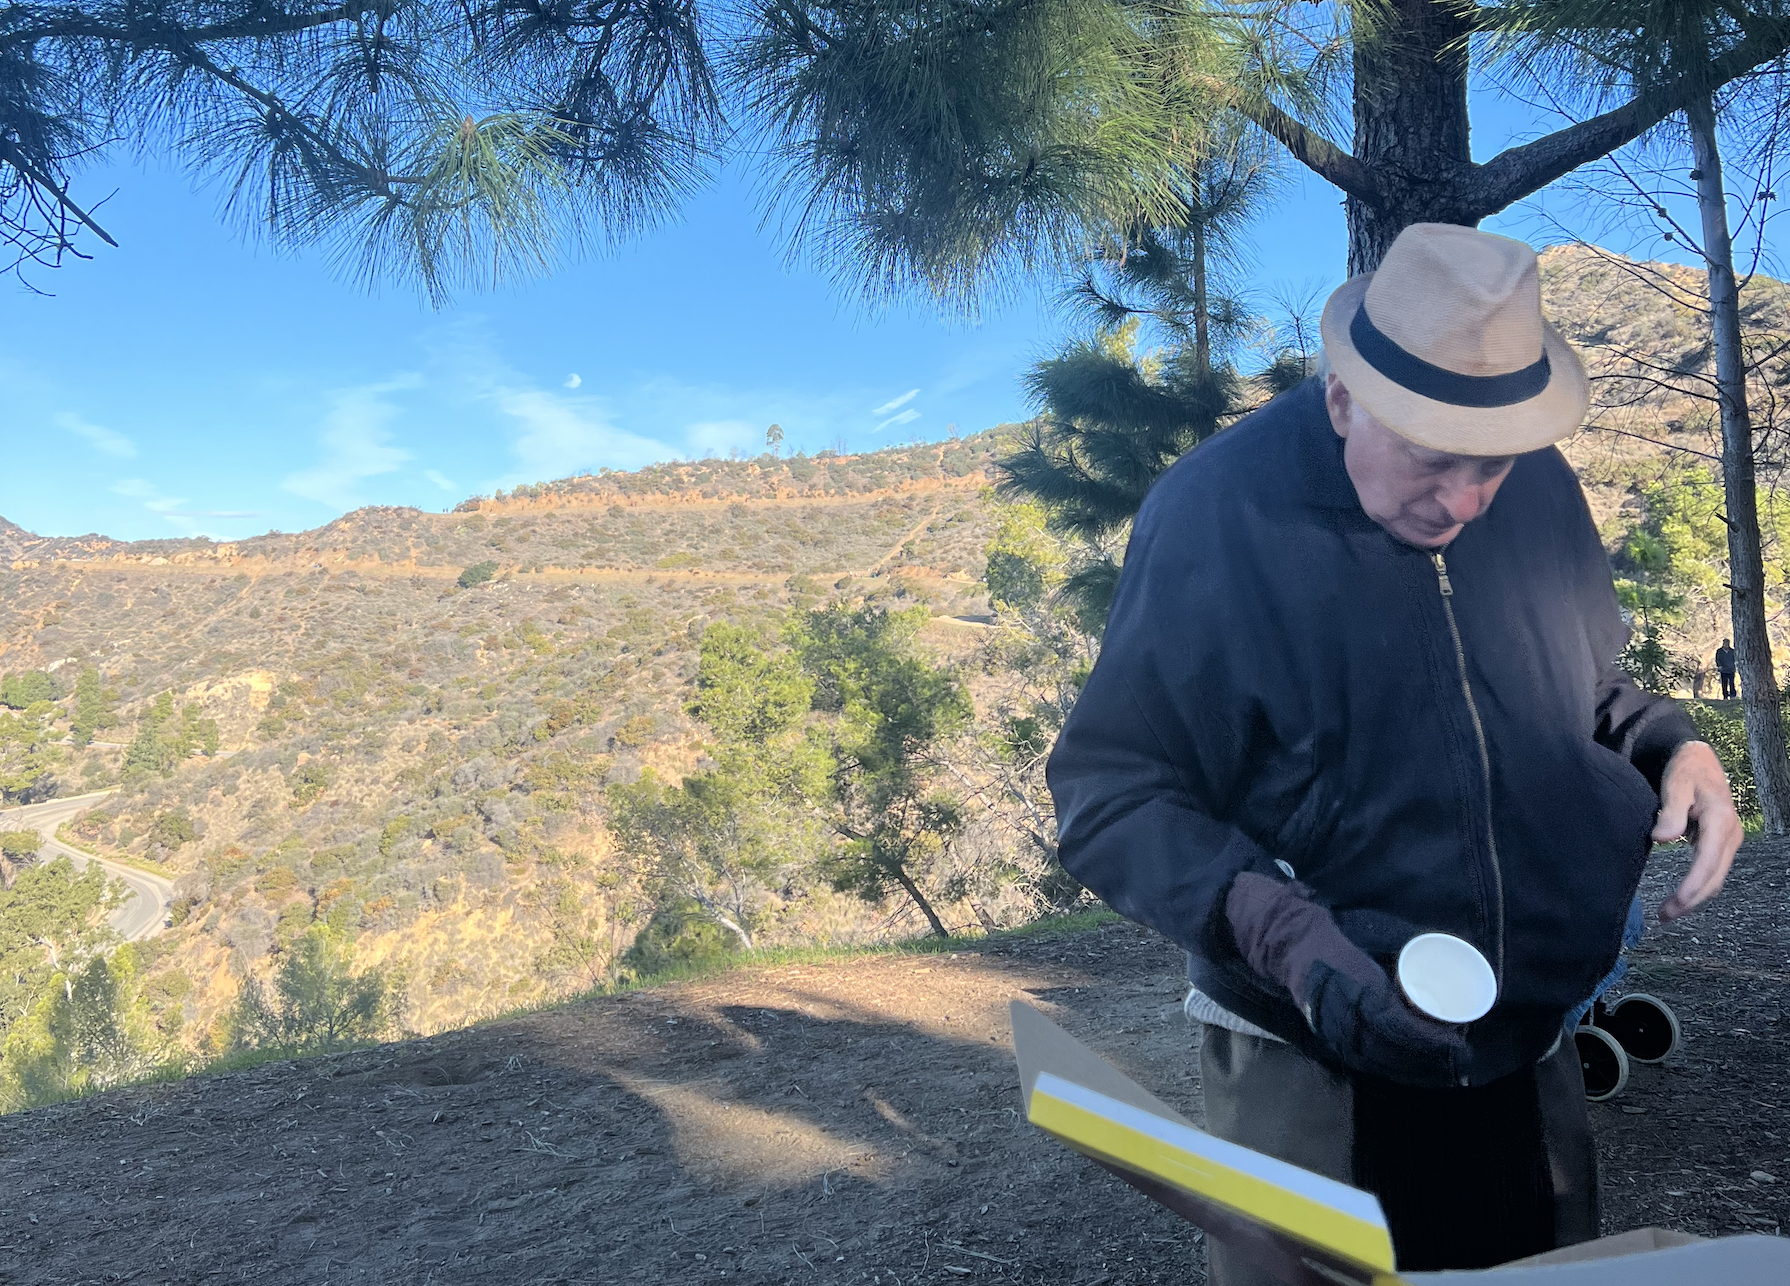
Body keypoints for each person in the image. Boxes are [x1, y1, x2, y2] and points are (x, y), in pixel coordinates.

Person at [1046, 224, 1743, 1280]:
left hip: (1528, 1037)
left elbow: (1580, 683)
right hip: (1308, 1046)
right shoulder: (1213, 514)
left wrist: (1671, 745)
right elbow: (1108, 792)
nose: (1462, 503)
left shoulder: (1542, 485)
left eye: (1491, 467)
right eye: (1429, 458)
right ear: (1341, 401)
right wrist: (1278, 929)